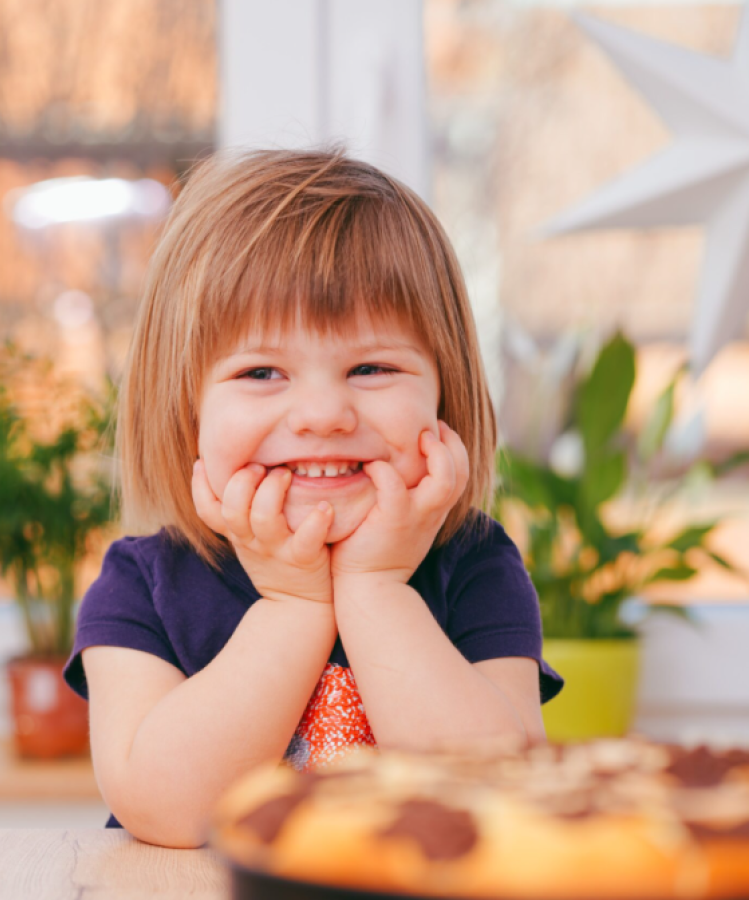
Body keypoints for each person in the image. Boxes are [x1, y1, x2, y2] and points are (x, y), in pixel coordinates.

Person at [61, 148, 563, 849]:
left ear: (445, 395)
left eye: (372, 367)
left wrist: (377, 590)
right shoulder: (141, 585)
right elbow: (165, 811)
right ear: (186, 410)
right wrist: (293, 606)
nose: (323, 413)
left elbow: (498, 801)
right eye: (262, 371)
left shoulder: (475, 565)